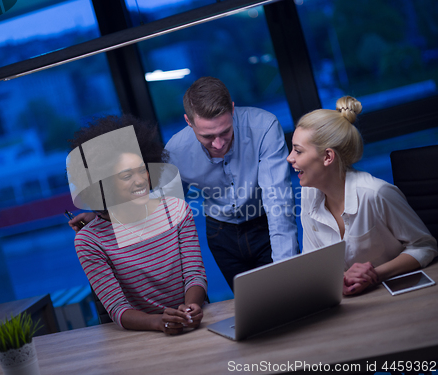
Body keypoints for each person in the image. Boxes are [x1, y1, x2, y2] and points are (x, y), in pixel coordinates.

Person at [66, 115, 207, 334]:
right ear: (104, 184)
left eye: (142, 169)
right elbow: (117, 308)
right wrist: (158, 322)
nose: (140, 180)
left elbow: (194, 274)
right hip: (142, 337)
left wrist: (192, 308)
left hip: (192, 325)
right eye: (126, 175)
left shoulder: (176, 210)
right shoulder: (89, 241)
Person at [286, 96, 438, 296]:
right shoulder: (308, 195)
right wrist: (335, 280)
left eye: (298, 151)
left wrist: (376, 274)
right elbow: (312, 262)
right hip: (349, 303)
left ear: (328, 157)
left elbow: (425, 246)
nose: (290, 158)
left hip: (398, 296)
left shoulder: (376, 193)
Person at [165, 77, 299, 290]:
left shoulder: (264, 126)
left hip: (264, 222)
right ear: (188, 122)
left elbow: (278, 202)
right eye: (207, 136)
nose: (218, 144)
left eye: (225, 132)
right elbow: (169, 213)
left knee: (285, 293)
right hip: (220, 234)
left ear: (233, 110)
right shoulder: (176, 150)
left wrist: (287, 270)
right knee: (252, 307)